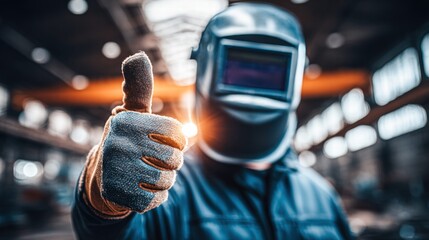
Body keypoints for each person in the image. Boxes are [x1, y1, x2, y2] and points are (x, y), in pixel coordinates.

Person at [72, 3, 353, 239]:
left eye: (268, 71)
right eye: (240, 69)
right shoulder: (163, 186)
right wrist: (103, 204)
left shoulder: (321, 196)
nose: (251, 91)